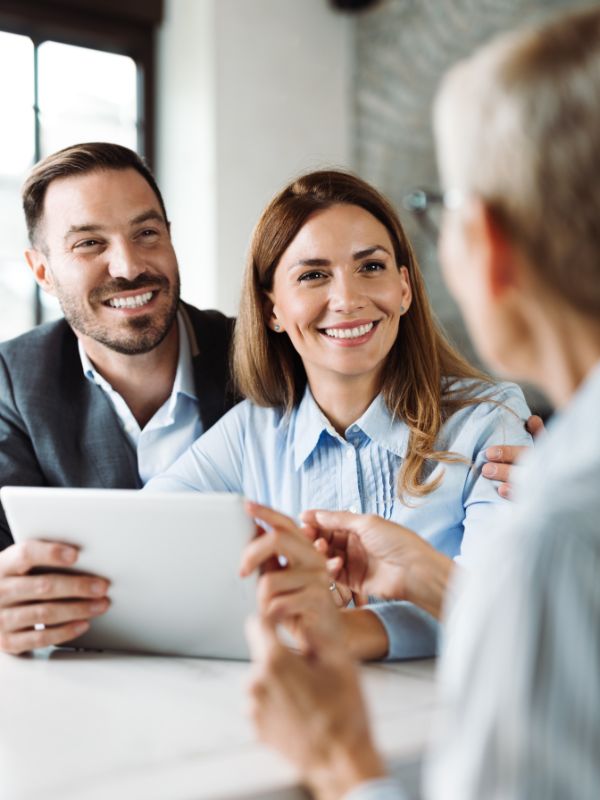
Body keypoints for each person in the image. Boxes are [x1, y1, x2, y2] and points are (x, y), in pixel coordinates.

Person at [244, 6, 600, 800]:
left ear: (486, 247)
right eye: (310, 275)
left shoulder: (553, 525)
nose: (348, 297)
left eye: (439, 211)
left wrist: (339, 759)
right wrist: (435, 578)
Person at [147, 168, 532, 662]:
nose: (347, 300)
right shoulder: (250, 434)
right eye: (312, 275)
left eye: (370, 267)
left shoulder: (488, 421)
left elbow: (508, 604)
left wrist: (342, 630)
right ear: (272, 311)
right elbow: (147, 542)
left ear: (405, 288)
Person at [0, 142, 235, 654]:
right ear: (42, 271)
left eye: (146, 233)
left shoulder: (258, 356)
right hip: (86, 688)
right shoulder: (13, 379)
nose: (128, 266)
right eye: (89, 244)